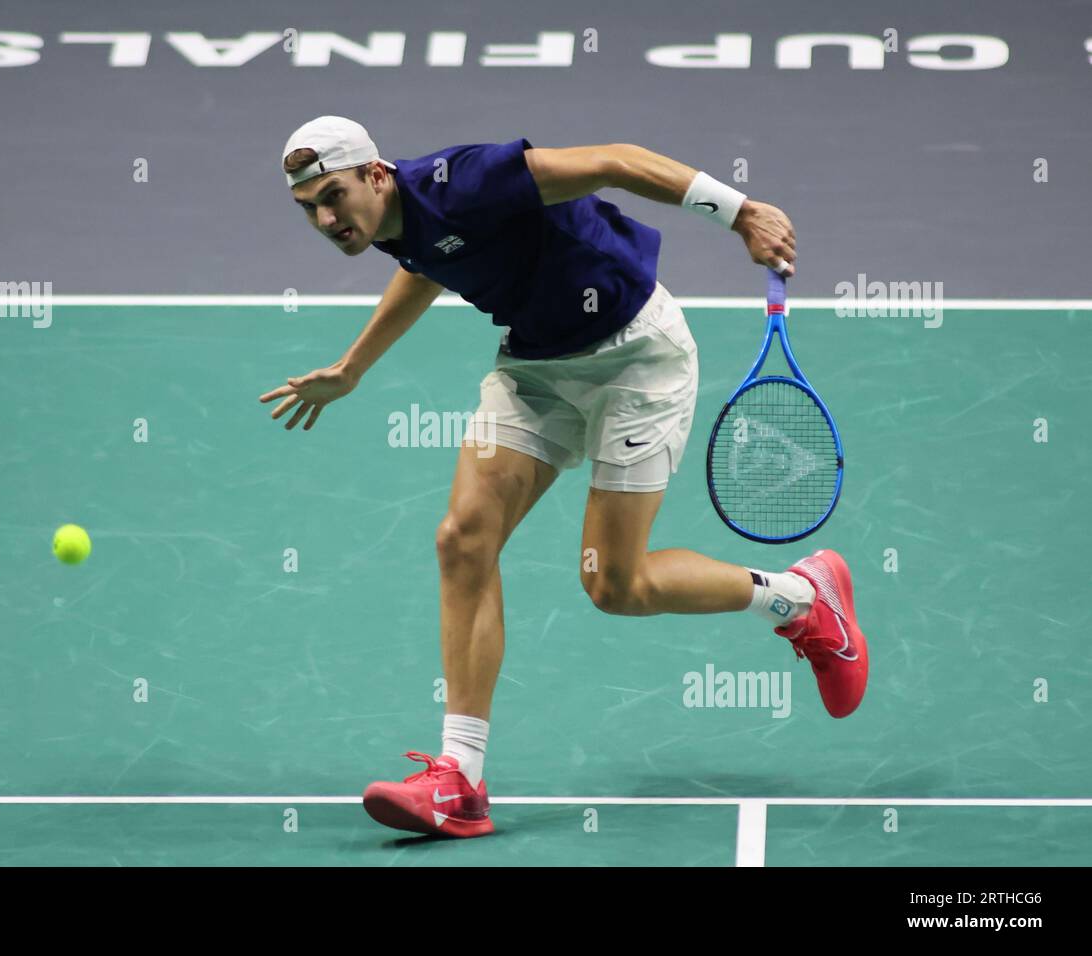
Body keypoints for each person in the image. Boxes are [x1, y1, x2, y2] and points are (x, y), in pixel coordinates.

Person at [261, 116, 868, 838]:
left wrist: (740, 213)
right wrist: (354, 368)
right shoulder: (394, 220)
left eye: (334, 195)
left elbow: (613, 159)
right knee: (463, 538)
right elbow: (423, 263)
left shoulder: (471, 181)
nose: (327, 219)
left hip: (639, 360)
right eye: (309, 209)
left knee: (617, 586)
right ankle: (461, 781)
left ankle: (800, 599)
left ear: (377, 175)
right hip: (536, 370)